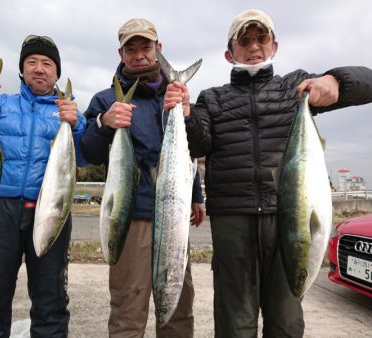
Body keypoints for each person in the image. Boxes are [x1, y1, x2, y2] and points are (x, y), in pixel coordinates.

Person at [164, 9, 372, 338]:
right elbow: (198, 144)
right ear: (229, 53)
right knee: (235, 324)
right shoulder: (212, 99)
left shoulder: (297, 87)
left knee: (286, 323)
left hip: (289, 218)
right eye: (244, 40)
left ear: (274, 46)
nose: (254, 45)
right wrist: (186, 112)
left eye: (261, 38)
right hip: (233, 222)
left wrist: (335, 80)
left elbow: (368, 85)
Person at [0, 35, 86, 338]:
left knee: (51, 300)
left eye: (47, 63)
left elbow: (85, 157)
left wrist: (77, 125)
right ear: (22, 70)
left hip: (51, 209)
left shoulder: (68, 112)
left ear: (56, 73)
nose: (39, 68)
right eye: (31, 62)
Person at [80, 18, 205, 338]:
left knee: (178, 307)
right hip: (131, 217)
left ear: (158, 49)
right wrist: (103, 123)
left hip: (174, 217)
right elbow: (88, 154)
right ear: (121, 53)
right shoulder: (106, 99)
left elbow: (186, 153)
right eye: (131, 49)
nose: (139, 55)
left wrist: (196, 195)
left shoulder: (174, 97)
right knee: (128, 309)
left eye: (146, 47)